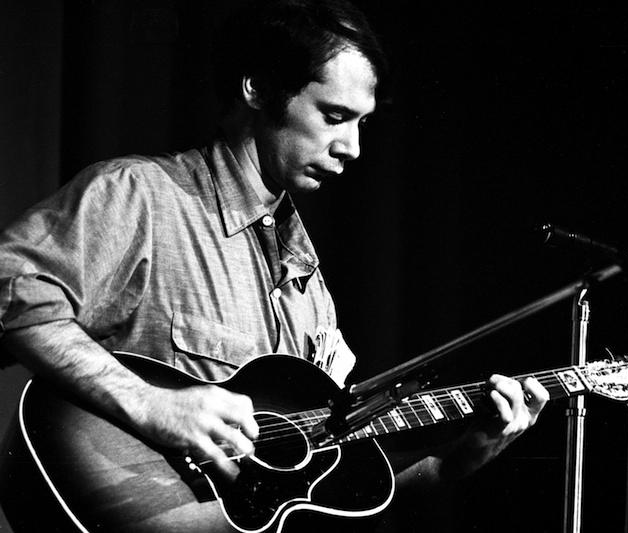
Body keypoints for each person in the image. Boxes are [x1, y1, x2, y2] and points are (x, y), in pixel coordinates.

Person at [0, 0, 548, 529]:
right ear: (258, 89)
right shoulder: (140, 197)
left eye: (361, 123)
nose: (353, 147)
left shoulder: (308, 286)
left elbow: (329, 482)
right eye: (334, 116)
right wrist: (149, 404)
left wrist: (456, 459)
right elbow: (11, 290)